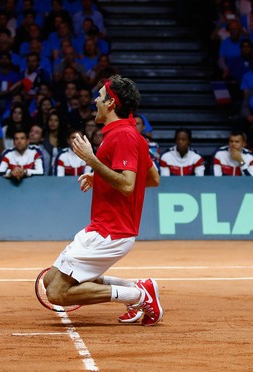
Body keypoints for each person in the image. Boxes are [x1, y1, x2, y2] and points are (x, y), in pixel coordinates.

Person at [42, 75, 163, 326]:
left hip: (111, 232)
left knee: (56, 293)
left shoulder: (124, 136)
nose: (95, 100)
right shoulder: (131, 135)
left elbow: (129, 185)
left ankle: (138, 296)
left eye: (99, 96)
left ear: (110, 103)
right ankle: (138, 288)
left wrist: (93, 161)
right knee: (48, 280)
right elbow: (151, 179)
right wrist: (101, 179)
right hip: (103, 227)